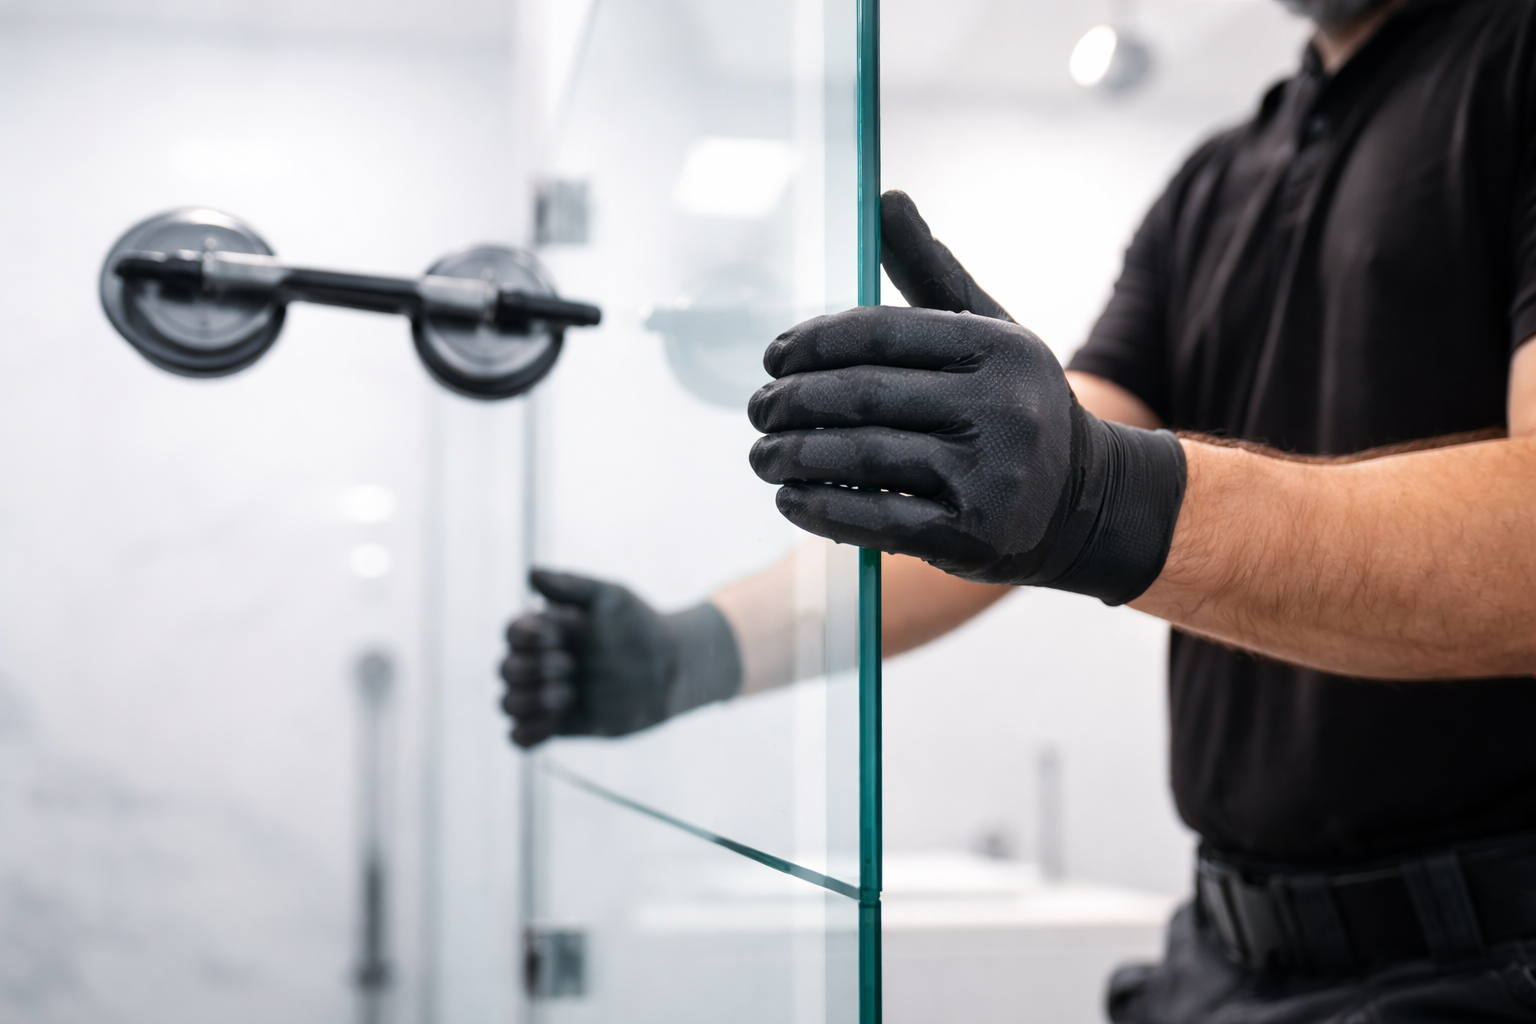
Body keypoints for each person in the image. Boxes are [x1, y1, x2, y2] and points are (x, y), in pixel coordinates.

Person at [502, 0, 1536, 1019]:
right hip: (1225, 956)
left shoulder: (1514, 57)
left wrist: (1100, 494)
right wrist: (696, 650)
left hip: (1482, 959)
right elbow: (1011, 489)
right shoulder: (1212, 183)